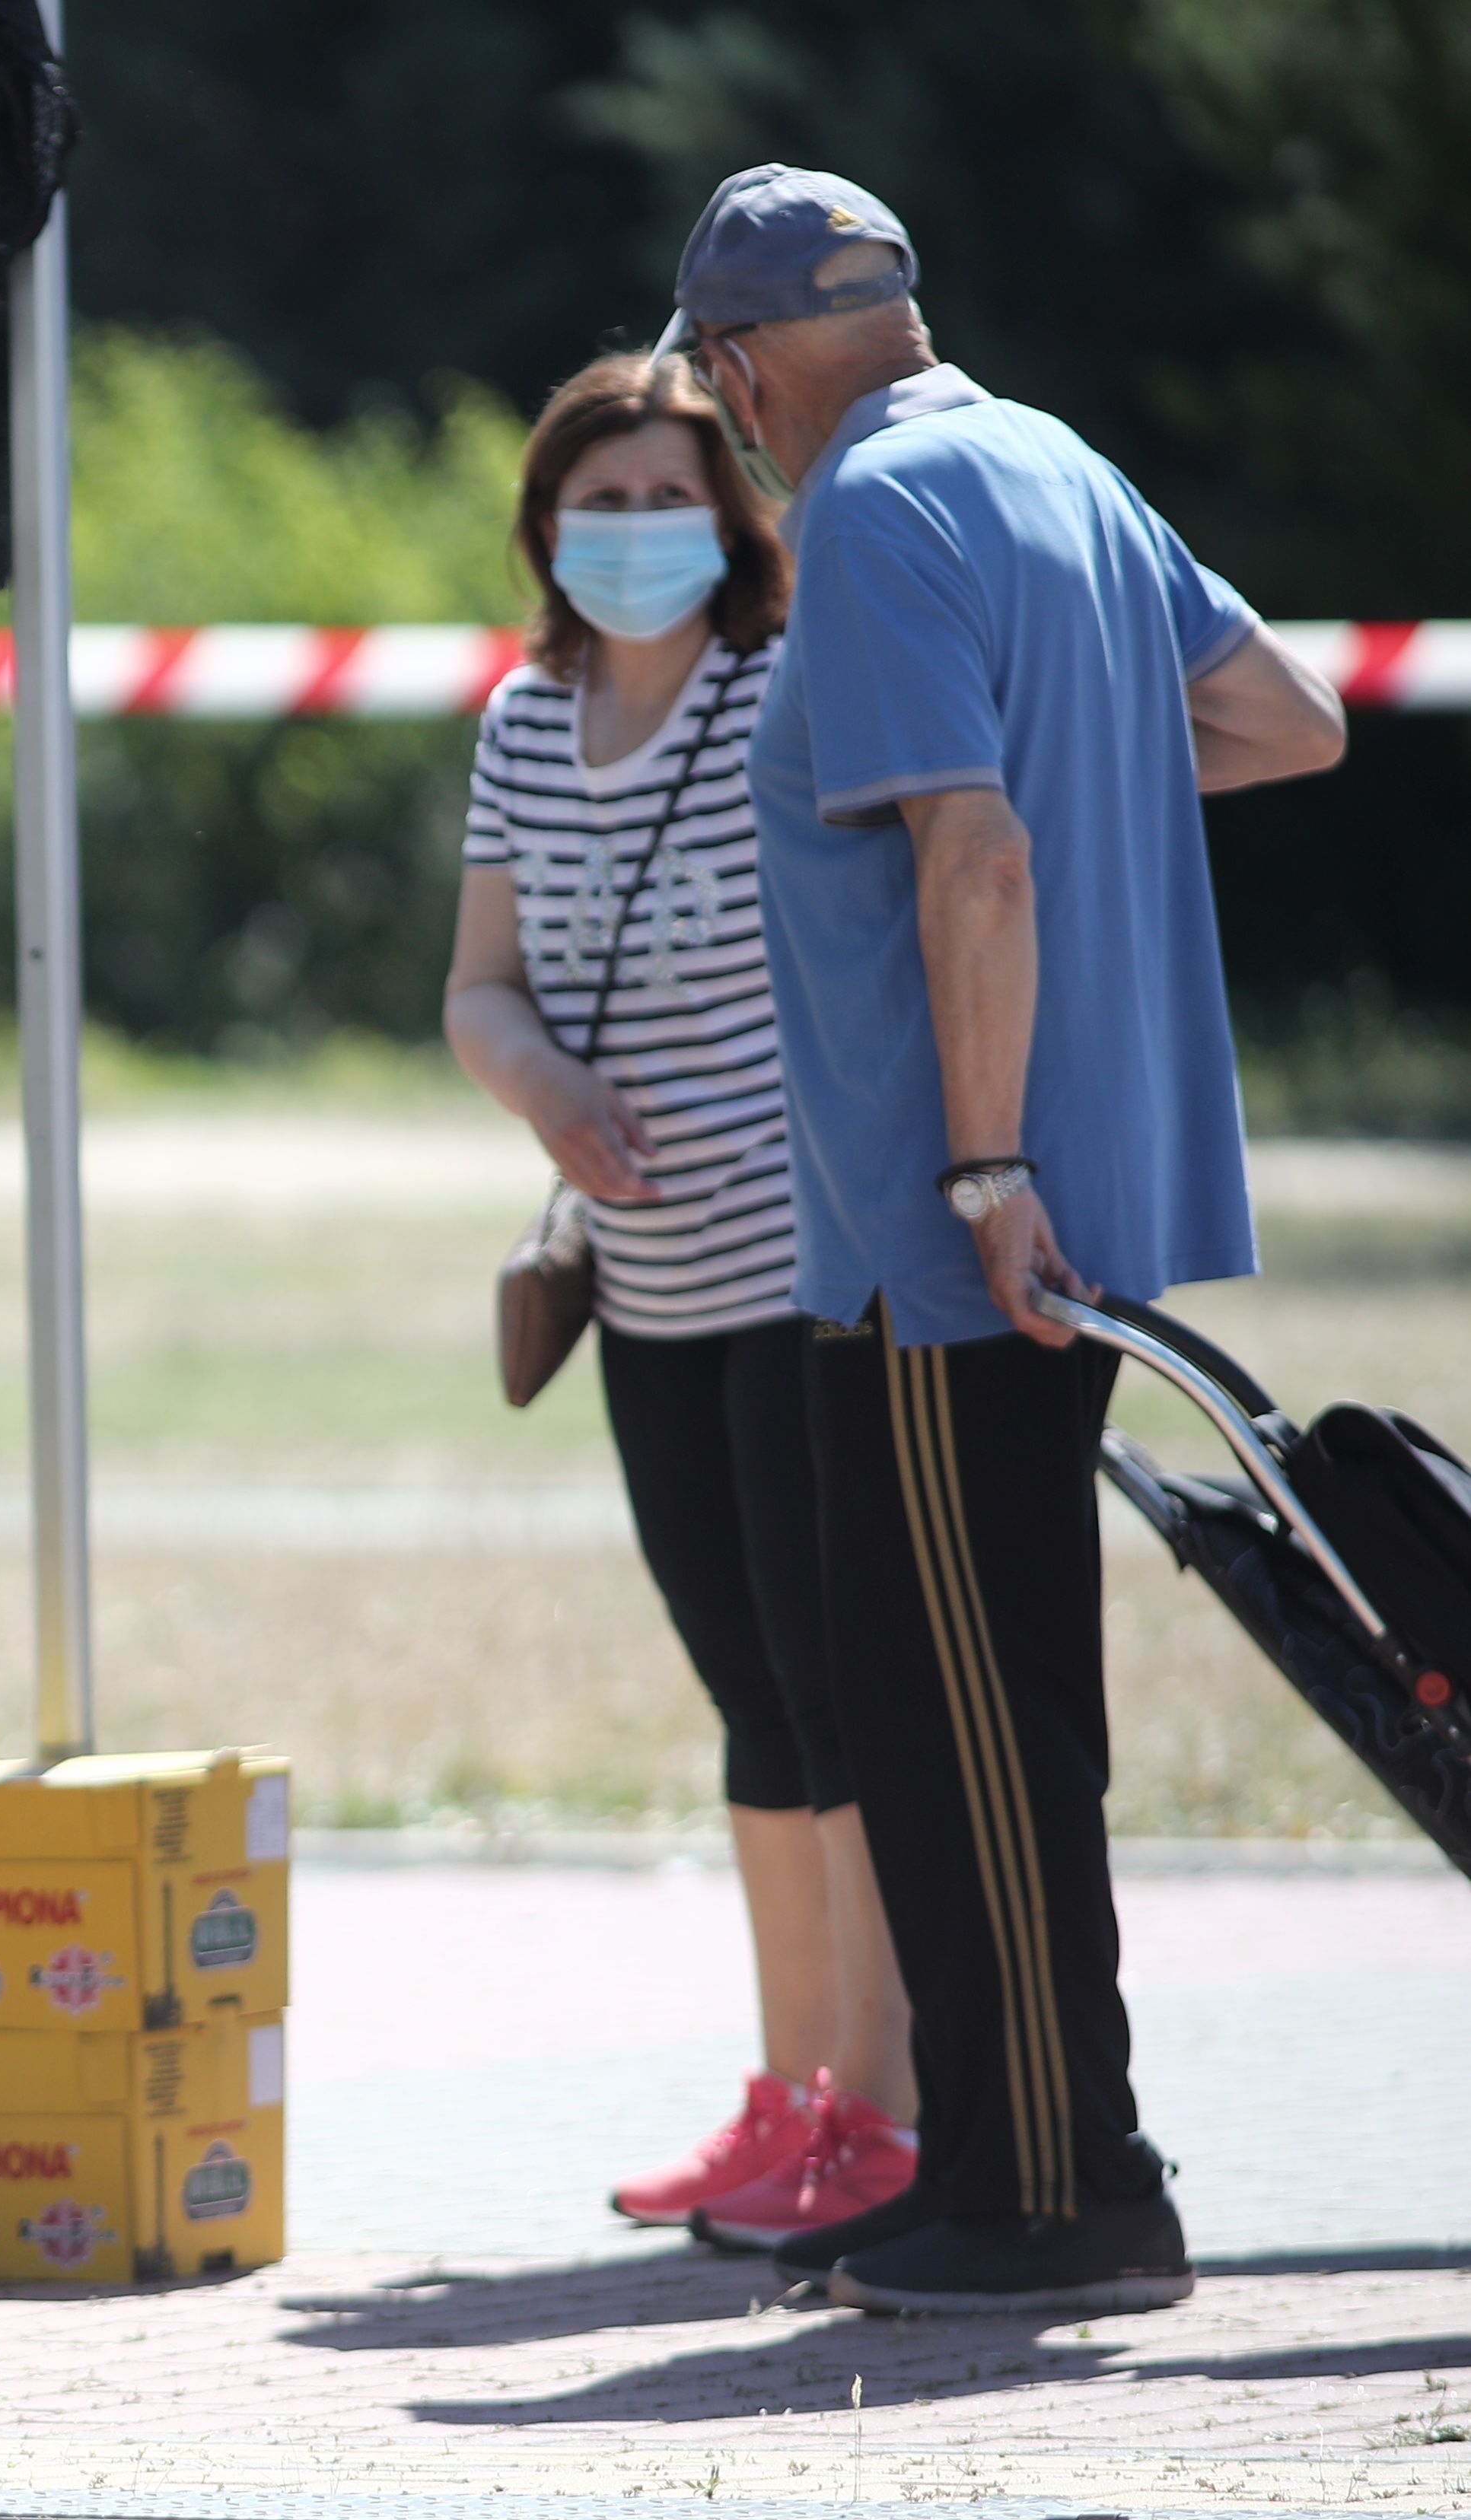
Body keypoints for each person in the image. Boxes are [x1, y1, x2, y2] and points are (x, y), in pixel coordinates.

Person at [667, 166, 1346, 2313]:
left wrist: (978, 1165)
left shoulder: (868, 507)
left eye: (717, 385)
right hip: (1050, 1204)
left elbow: (966, 858)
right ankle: (995, 2153)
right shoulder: (1050, 460)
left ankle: (1059, 2188)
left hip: (944, 1231)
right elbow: (1281, 719)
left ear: (742, 359)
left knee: (962, 1714)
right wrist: (1083, 770)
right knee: (981, 1692)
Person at [446, 350, 919, 2254]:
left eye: (669, 499)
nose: (634, 534)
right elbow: (478, 981)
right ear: (547, 523)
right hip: (641, 1284)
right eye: (602, 500)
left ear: (733, 521)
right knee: (748, 1701)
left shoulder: (781, 693)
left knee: (837, 1689)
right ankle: (786, 2091)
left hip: (806, 1278)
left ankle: (882, 2113)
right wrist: (542, 1090)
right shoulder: (520, 719)